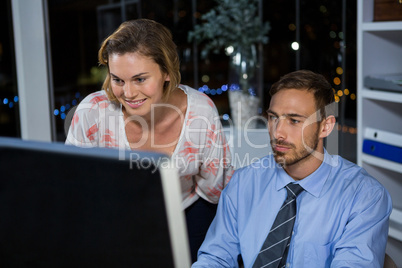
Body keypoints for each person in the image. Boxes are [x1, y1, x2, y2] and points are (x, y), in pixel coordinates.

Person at [65, 19, 233, 262]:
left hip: (186, 215)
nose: (128, 93)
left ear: (166, 72)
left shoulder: (201, 112)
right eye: (118, 80)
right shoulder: (92, 112)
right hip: (113, 218)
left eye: (140, 79)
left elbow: (214, 191)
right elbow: (74, 186)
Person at [192, 70, 392, 268]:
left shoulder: (364, 196)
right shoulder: (243, 183)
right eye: (273, 118)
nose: (278, 132)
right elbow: (215, 258)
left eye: (294, 121)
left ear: (325, 126)